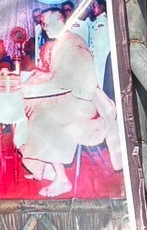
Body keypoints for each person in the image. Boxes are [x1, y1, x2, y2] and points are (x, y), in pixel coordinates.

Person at [15, 23, 125, 198]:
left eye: (46, 21)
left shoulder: (74, 46)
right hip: (76, 101)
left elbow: (70, 83)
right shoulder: (65, 46)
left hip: (85, 104)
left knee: (44, 119)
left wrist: (40, 88)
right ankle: (46, 167)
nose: (44, 26)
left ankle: (62, 179)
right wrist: (46, 79)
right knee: (31, 111)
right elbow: (59, 76)